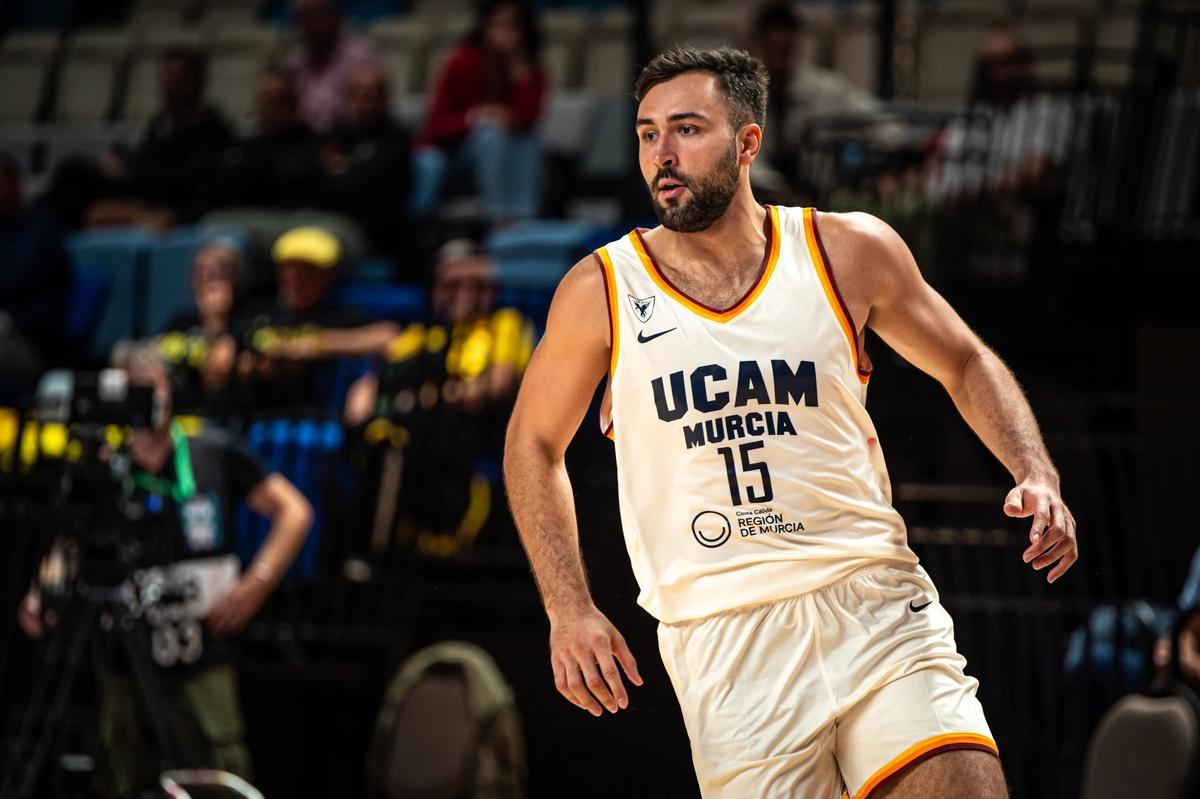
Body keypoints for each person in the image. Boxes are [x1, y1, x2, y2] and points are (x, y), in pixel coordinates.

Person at [502, 47, 1079, 798]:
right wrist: (567, 606)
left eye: (686, 129)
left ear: (748, 143)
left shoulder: (846, 250)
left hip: (872, 600)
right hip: (724, 636)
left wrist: (1035, 469)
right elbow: (532, 442)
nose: (662, 154)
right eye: (647, 134)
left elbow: (965, 359)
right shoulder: (601, 289)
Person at [16, 343, 313, 797]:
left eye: (149, 387)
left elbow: (294, 511)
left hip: (202, 642)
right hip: (125, 646)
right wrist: (44, 589)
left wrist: (258, 581)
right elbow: (72, 540)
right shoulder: (105, 465)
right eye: (130, 390)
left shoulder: (211, 450)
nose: (142, 401)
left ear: (168, 391)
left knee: (219, 766)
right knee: (120, 769)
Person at [234, 226, 398, 410]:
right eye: (290, 271)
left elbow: (389, 337)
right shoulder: (261, 314)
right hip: (262, 419)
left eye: (307, 272)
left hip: (324, 421)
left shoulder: (340, 315)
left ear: (328, 275)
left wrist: (317, 344)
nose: (297, 281)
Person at [416, 0, 546, 222]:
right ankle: (498, 219)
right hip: (455, 158)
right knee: (490, 134)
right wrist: (477, 116)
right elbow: (436, 126)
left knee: (528, 140)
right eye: (497, 25)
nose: (504, 33)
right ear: (484, 27)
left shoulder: (529, 70)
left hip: (505, 156)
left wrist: (518, 67)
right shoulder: (462, 62)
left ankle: (525, 218)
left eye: (512, 26)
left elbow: (527, 120)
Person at [318, 64, 412, 263]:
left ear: (384, 100)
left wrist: (343, 172)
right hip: (327, 221)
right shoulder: (334, 136)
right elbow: (314, 182)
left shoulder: (396, 140)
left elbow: (368, 187)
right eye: (355, 96)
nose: (362, 104)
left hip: (374, 234)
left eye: (369, 96)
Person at [0, 153, 70, 387]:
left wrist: (7, 319)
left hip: (28, 341)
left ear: (15, 183)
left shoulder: (42, 231)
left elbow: (50, 306)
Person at [208, 68, 322, 209]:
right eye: (266, 99)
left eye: (279, 99)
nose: (272, 107)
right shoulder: (242, 145)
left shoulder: (310, 144)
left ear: (293, 103)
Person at [154, 239, 246, 416]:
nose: (208, 282)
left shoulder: (242, 323)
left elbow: (217, 376)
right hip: (177, 415)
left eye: (218, 275)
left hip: (221, 420)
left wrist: (215, 321)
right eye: (201, 273)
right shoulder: (180, 322)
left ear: (235, 280)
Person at [286, 0, 382, 133]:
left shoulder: (360, 56)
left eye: (313, 17)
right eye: (301, 18)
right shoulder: (294, 62)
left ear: (335, 15)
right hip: (301, 141)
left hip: (348, 137)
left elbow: (367, 111)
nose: (306, 25)